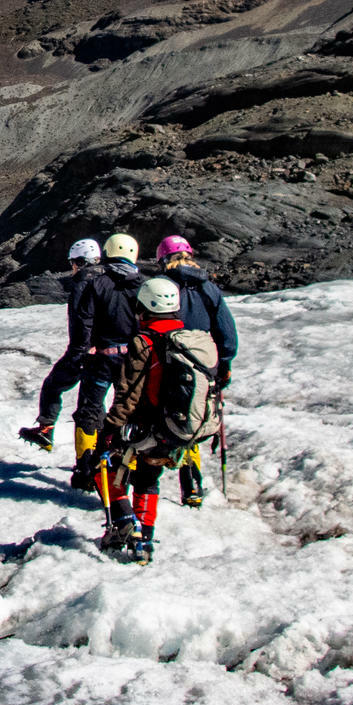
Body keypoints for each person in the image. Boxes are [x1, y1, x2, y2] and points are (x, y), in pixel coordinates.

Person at [89, 276, 220, 564]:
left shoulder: (143, 342)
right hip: (175, 428)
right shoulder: (193, 340)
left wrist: (109, 431)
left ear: (144, 307)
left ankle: (124, 521)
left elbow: (128, 394)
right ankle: (144, 541)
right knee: (148, 480)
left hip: (146, 427)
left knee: (101, 468)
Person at [155, 235, 238, 508]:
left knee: (161, 417)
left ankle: (147, 479)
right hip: (203, 365)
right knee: (194, 416)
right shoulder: (208, 289)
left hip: (167, 361)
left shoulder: (162, 286)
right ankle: (191, 485)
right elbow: (226, 330)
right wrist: (223, 363)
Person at [65, 232, 146, 489]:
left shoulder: (96, 282)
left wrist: (81, 350)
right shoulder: (143, 284)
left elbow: (83, 320)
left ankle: (85, 469)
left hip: (100, 358)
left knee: (89, 412)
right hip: (134, 360)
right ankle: (125, 468)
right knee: (129, 412)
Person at [18, 238, 108, 453]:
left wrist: (79, 351)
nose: (72, 267)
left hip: (84, 351)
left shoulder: (82, 284)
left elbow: (80, 321)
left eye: (73, 262)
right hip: (110, 351)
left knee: (52, 385)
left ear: (80, 261)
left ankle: (46, 429)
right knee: (94, 399)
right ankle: (105, 445)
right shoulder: (109, 281)